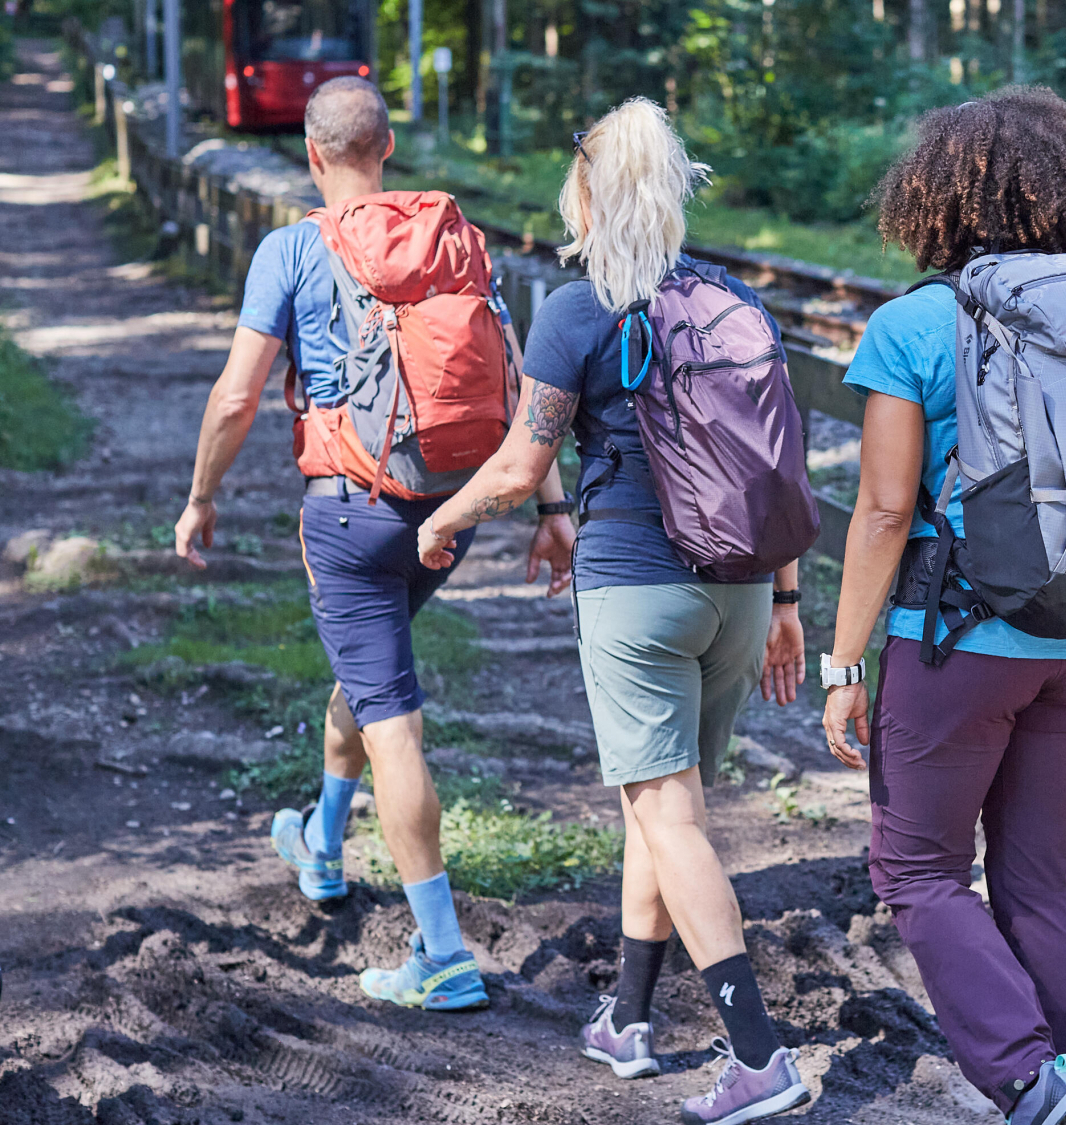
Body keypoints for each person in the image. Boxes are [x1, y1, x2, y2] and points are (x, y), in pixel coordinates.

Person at [414, 98, 813, 1124]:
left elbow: (519, 465)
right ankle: (627, 1023)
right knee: (662, 802)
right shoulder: (729, 299)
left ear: (584, 191)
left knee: (666, 811)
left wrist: (441, 522)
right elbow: (775, 460)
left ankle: (759, 1055)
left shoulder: (575, 307)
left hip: (636, 586)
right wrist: (784, 600)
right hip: (733, 590)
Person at [175, 77, 575, 1012]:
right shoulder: (452, 240)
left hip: (351, 517)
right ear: (387, 147)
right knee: (364, 680)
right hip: (448, 512)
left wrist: (200, 497)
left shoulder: (291, 249)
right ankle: (320, 845)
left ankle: (441, 952)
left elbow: (237, 396)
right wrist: (552, 505)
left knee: (390, 715)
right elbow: (522, 382)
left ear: (314, 155)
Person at [820, 86, 1066, 1125]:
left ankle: (1018, 1073)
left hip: (955, 639)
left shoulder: (913, 322)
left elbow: (879, 511)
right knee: (1037, 880)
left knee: (913, 868)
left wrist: (843, 662)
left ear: (936, 198)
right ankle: (1059, 1079)